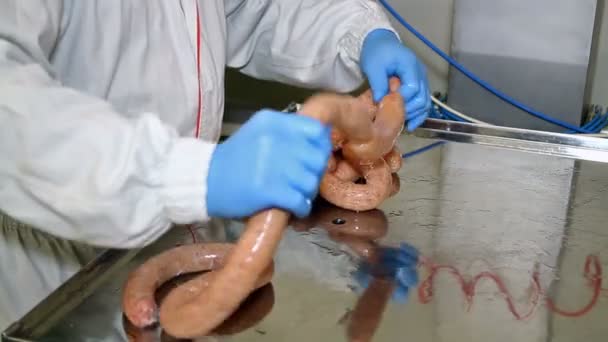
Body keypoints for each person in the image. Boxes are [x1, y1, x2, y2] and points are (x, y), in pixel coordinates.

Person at [0, 0, 430, 333]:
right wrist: (178, 175)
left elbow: (255, 10)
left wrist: (360, 34)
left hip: (177, 224)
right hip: (50, 263)